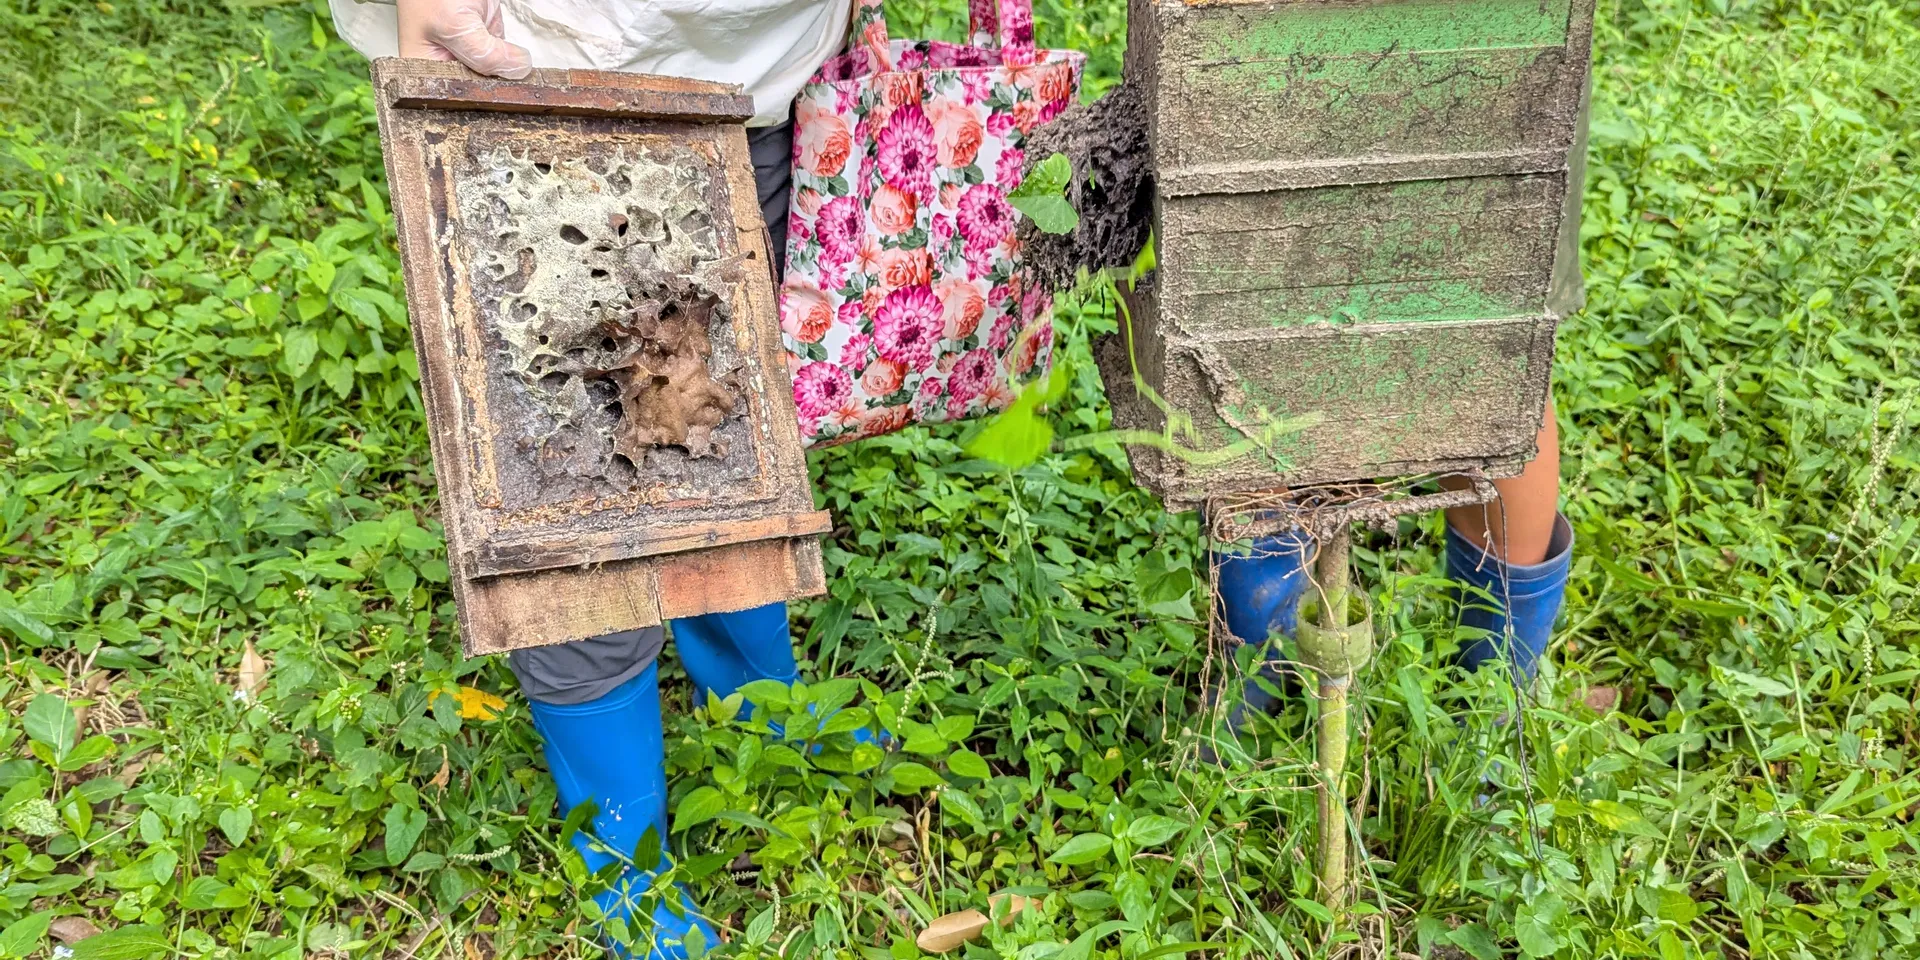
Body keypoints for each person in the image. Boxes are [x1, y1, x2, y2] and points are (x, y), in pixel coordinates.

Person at [330, 0, 865, 954]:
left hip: (748, 91)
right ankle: (623, 843)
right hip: (540, 77)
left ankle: (758, 705)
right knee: (563, 482)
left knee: (721, 434)